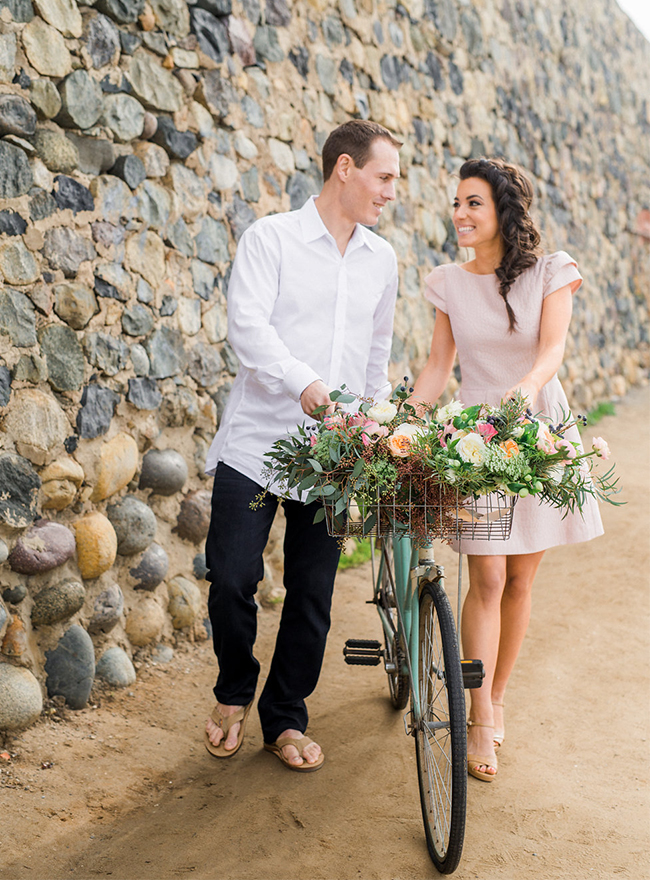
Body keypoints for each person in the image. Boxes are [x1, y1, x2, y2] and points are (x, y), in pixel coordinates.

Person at [203, 121, 402, 771]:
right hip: (257, 443)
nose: (390, 191)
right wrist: (305, 383)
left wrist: (373, 427)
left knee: (312, 594)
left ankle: (285, 718)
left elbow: (376, 360)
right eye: (384, 176)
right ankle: (234, 689)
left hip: (336, 457)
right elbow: (248, 328)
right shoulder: (273, 238)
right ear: (344, 168)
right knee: (232, 577)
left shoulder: (383, 260)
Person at [412, 158, 603, 782]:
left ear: (503, 213)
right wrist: (398, 421)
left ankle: (495, 697)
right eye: (458, 202)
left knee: (520, 580)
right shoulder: (447, 282)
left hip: (537, 429)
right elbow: (439, 370)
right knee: (486, 576)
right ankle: (478, 720)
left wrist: (523, 391)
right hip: (473, 439)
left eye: (474, 204)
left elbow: (552, 349)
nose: (460, 214)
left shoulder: (551, 272)